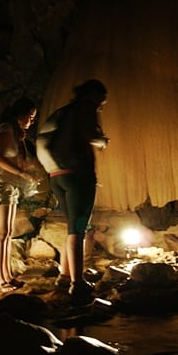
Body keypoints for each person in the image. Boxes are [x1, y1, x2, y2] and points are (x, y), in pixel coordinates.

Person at [36, 79, 109, 306]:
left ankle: (65, 275)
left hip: (57, 177)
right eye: (101, 102)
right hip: (78, 176)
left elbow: (42, 138)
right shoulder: (85, 108)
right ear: (95, 96)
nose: (101, 107)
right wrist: (102, 141)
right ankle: (78, 284)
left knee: (72, 227)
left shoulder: (63, 112)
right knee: (78, 229)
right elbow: (90, 134)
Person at [0, 97, 38, 292]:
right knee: (0, 233)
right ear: (21, 113)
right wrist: (22, 173)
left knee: (8, 233)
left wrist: (29, 169)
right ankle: (0, 280)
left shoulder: (18, 134)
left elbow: (22, 163)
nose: (31, 121)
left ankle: (8, 275)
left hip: (12, 187)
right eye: (30, 117)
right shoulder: (5, 129)